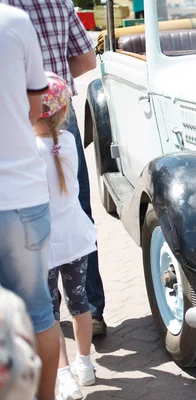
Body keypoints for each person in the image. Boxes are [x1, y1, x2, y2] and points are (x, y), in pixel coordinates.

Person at [6, 0, 108, 337]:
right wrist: (55, 86)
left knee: (24, 211)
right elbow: (86, 59)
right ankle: (89, 309)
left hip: (19, 121)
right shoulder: (59, 2)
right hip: (63, 119)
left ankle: (40, 314)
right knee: (75, 205)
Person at [0, 5, 62, 400]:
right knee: (38, 311)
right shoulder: (14, 21)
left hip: (21, 194)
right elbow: (37, 106)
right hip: (20, 192)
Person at [35, 72, 98, 400]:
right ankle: (85, 365)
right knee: (79, 303)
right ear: (63, 113)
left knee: (48, 312)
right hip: (75, 238)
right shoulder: (69, 143)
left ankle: (63, 375)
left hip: (44, 245)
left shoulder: (31, 151)